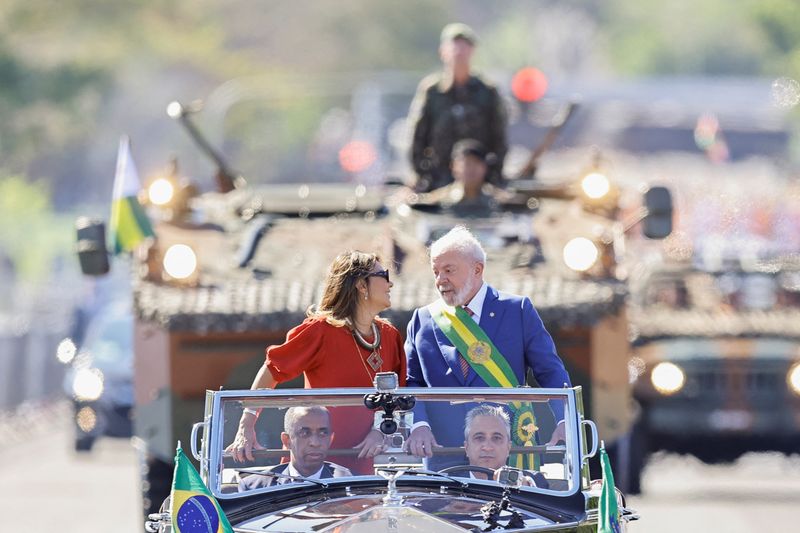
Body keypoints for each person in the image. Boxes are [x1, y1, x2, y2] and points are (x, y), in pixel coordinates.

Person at [226, 251, 406, 474]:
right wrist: (247, 426)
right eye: (384, 275)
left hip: (364, 460)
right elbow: (272, 370)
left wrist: (380, 430)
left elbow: (398, 398)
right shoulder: (320, 330)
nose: (391, 283)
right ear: (361, 285)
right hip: (312, 464)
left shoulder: (390, 335)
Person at [404, 226, 571, 466]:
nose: (441, 280)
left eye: (448, 270)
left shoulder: (517, 310)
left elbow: (551, 372)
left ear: (477, 269)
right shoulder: (424, 319)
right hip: (443, 453)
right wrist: (419, 424)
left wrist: (564, 421)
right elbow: (412, 382)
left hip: (507, 448)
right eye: (436, 272)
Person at [408, 22, 507, 192]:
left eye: (465, 46)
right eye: (454, 46)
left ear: (472, 51)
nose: (459, 52)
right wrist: (423, 174)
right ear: (442, 52)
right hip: (438, 179)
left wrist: (493, 173)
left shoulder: (487, 91)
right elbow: (417, 137)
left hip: (478, 181)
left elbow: (499, 137)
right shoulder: (432, 91)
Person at [238, 406, 352, 490]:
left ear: (330, 439)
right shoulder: (255, 488)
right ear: (286, 440)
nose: (315, 442)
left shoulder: (352, 485)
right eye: (304, 433)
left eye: (322, 434)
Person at [463, 405, 547, 488]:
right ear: (466, 448)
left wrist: (525, 488)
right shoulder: (450, 480)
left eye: (496, 438)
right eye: (479, 438)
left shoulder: (533, 481)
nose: (487, 447)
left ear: (508, 448)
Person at [421, 139, 510, 217]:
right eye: (467, 164)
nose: (472, 169)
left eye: (477, 163)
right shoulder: (438, 199)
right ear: (453, 166)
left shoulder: (499, 200)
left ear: (485, 168)